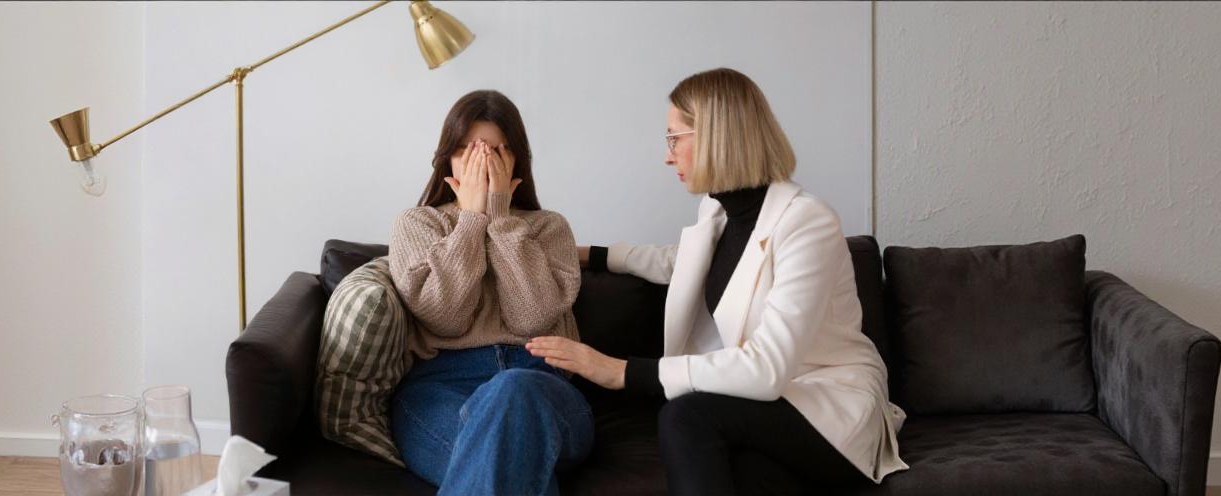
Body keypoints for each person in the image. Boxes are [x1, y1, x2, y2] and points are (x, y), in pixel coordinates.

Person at [527, 68, 908, 494]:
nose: (667, 156)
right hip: (767, 408)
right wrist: (589, 254)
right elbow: (684, 262)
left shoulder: (807, 222)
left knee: (685, 416)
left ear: (714, 135)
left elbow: (766, 368)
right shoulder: (719, 210)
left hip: (828, 405)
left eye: (674, 138)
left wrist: (621, 371)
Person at [387, 90, 593, 496]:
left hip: (537, 384)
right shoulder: (417, 224)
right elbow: (444, 317)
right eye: (468, 149)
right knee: (512, 460)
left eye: (495, 150)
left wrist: (499, 218)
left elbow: (530, 318)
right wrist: (469, 221)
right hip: (439, 387)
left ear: (517, 159)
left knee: (512, 391)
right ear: (447, 156)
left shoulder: (548, 228)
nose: (481, 162)